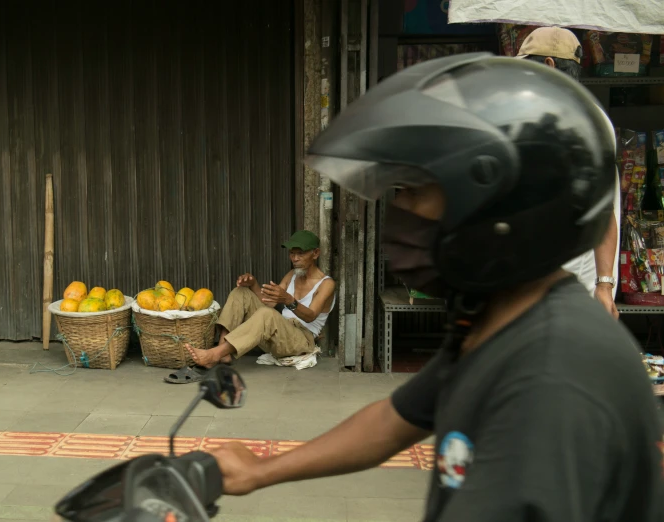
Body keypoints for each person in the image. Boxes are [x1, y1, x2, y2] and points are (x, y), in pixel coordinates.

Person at [208, 53, 664, 521]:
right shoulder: (493, 320)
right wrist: (263, 470)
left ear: (494, 207)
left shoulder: (552, 374)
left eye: (414, 190)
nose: (400, 210)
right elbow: (390, 422)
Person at [517, 26, 622, 319]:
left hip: (573, 280)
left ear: (549, 64)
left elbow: (601, 208)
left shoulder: (584, 123)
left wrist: (604, 285)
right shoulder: (542, 114)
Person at [185, 230, 336, 369]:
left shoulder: (326, 284)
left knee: (266, 314)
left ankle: (214, 354)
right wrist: (253, 284)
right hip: (278, 336)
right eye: (292, 253)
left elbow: (310, 316)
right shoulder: (292, 275)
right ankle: (224, 352)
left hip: (301, 341)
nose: (294, 258)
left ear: (315, 253)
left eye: (300, 253)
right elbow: (269, 302)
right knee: (241, 292)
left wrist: (289, 300)